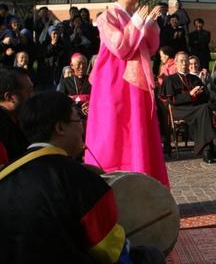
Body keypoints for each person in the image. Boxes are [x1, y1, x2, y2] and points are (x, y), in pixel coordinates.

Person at [0, 91, 164, 264]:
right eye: (78, 119)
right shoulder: (80, 179)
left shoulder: (5, 175)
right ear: (60, 128)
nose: (82, 126)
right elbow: (112, 252)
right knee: (150, 256)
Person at [85, 0, 169, 187]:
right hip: (114, 83)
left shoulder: (133, 15)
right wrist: (139, 21)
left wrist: (150, 25)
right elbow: (121, 48)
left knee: (138, 131)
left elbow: (149, 48)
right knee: (114, 131)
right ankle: (111, 188)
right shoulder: (107, 17)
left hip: (135, 84)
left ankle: (144, 187)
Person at [160, 52, 216, 163]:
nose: (184, 63)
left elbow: (206, 96)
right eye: (181, 61)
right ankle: (215, 142)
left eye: (186, 61)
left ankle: (207, 152)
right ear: (176, 64)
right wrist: (190, 95)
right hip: (178, 110)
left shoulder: (194, 78)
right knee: (204, 110)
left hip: (195, 109)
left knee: (204, 110)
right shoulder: (170, 80)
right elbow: (171, 100)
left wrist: (200, 94)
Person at [0, 67, 32, 163]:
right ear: (10, 97)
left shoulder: (21, 120)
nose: (33, 96)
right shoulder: (2, 126)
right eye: (29, 91)